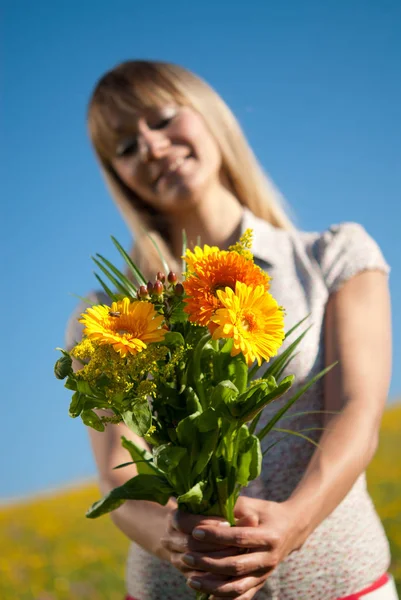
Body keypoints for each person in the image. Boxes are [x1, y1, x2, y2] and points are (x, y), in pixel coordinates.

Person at [66, 60, 397, 600]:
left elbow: (355, 413)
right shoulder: (109, 315)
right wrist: (177, 544)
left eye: (162, 118)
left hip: (339, 583)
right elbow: (118, 473)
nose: (150, 146)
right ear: (119, 176)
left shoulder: (333, 256)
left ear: (208, 115)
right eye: (124, 147)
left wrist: (294, 522)